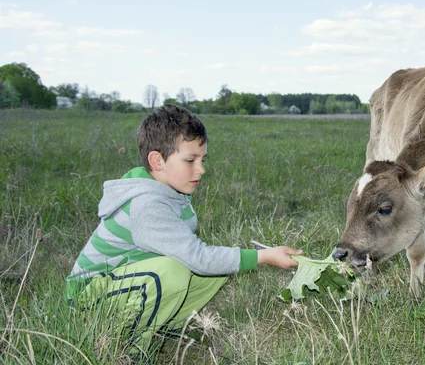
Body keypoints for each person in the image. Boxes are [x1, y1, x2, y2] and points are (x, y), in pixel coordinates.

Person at [66, 104, 301, 355]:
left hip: (123, 282)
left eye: (202, 160)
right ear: (157, 160)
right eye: (190, 160)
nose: (201, 169)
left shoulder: (170, 189)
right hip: (90, 298)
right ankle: (127, 349)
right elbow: (198, 257)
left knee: (215, 269)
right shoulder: (146, 205)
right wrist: (264, 256)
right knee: (175, 271)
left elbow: (200, 258)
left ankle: (163, 325)